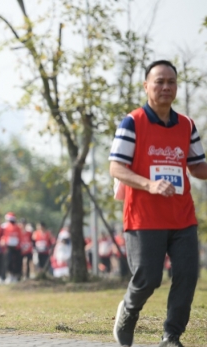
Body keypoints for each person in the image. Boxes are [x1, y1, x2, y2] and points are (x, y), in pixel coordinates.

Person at [109, 60, 206, 347]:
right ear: (146, 86)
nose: (166, 87)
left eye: (171, 82)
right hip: (143, 217)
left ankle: (171, 336)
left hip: (182, 216)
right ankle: (128, 311)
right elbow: (116, 168)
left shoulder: (186, 124)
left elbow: (198, 167)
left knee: (188, 275)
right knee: (148, 279)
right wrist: (150, 184)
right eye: (159, 81)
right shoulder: (133, 122)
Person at [1, 212, 22, 283]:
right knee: (8, 261)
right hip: (8, 247)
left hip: (16, 248)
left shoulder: (17, 227)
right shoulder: (5, 227)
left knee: (16, 262)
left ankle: (15, 276)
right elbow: (3, 236)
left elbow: (20, 237)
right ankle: (9, 275)